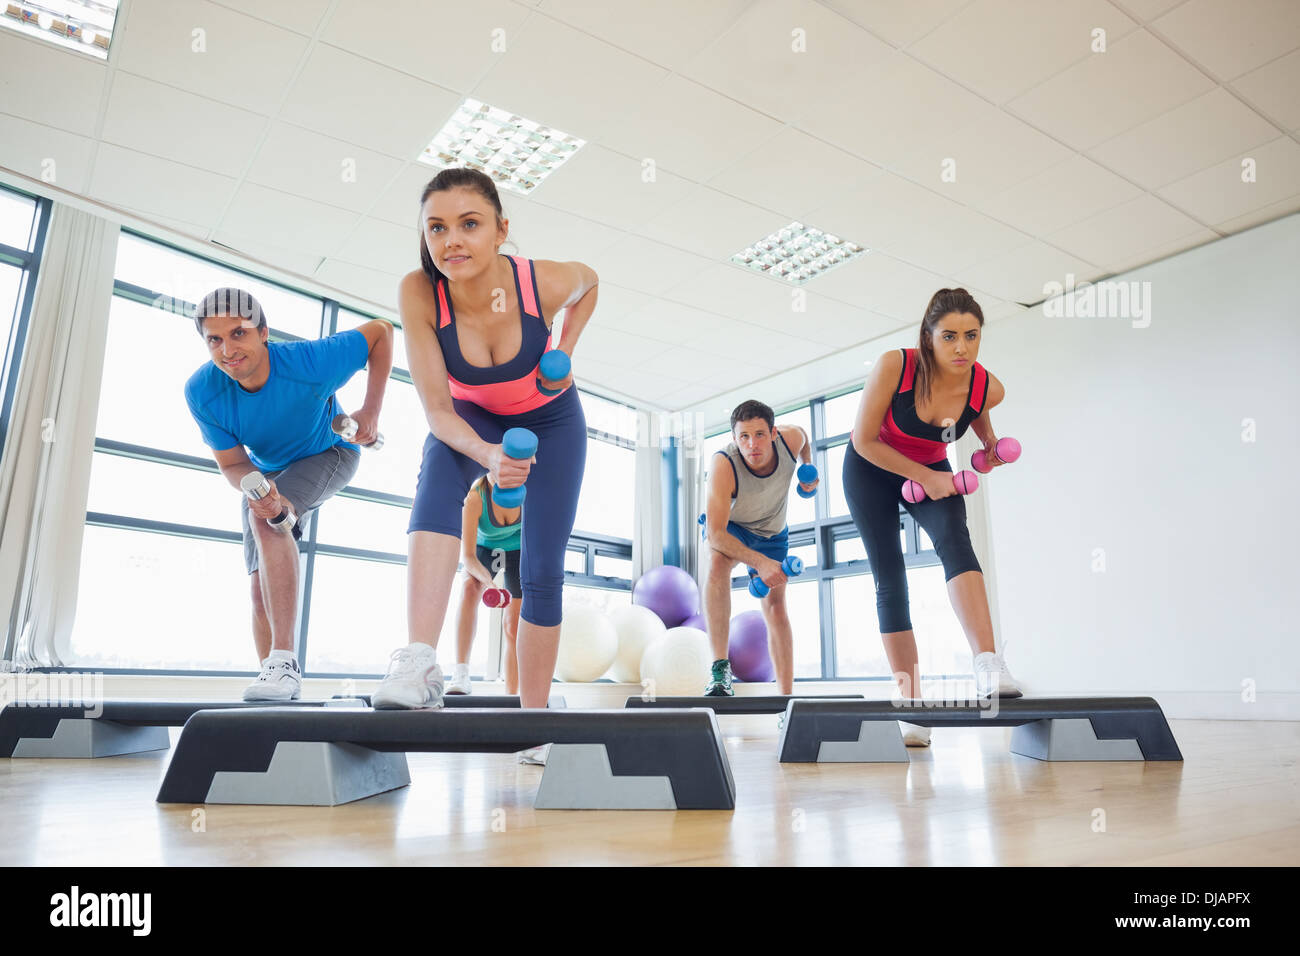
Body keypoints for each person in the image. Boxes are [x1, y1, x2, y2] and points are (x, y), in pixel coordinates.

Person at [372, 167, 598, 718]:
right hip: (469, 417)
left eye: (469, 224)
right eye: (437, 228)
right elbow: (438, 412)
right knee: (437, 480)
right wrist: (488, 456)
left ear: (500, 229)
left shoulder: (538, 282)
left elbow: (590, 280)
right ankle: (420, 662)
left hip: (552, 421)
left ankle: (535, 718)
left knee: (542, 567)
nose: (451, 241)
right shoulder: (419, 292)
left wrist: (564, 347)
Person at [184, 287, 393, 700]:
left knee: (267, 520)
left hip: (330, 451)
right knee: (259, 574)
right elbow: (232, 464)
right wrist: (258, 490)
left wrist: (370, 409)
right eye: (215, 339)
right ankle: (276, 683)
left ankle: (284, 663)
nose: (227, 349)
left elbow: (381, 332)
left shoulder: (309, 363)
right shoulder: (202, 392)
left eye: (239, 333)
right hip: (267, 470)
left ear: (263, 332)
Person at [844, 287, 1021, 747]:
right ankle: (912, 705)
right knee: (891, 576)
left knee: (955, 540)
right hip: (870, 468)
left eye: (971, 335)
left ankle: (987, 664)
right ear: (928, 338)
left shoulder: (988, 386)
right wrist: (928, 476)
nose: (961, 347)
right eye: (949, 337)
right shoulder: (895, 367)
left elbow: (975, 407)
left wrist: (988, 443)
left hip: (930, 466)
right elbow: (864, 440)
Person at [701, 400, 818, 696]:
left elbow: (804, 437)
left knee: (776, 607)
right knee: (716, 566)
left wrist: (807, 469)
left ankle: (786, 699)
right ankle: (719, 671)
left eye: (760, 434)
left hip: (772, 533)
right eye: (743, 436)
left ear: (774, 433)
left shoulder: (791, 440)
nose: (752, 444)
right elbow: (714, 534)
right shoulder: (723, 464)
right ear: (734, 438)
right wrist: (761, 564)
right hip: (733, 529)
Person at [447, 475, 523, 696]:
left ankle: (512, 695)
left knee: (513, 625)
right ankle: (461, 674)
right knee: (469, 588)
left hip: (518, 550)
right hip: (485, 549)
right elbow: (468, 557)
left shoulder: (525, 493)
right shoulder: (475, 498)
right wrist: (489, 584)